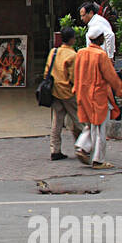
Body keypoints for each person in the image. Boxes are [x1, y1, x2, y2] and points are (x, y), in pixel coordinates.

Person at [73, 25, 122, 169]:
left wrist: (76, 90)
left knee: (90, 125)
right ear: (100, 39)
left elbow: (76, 75)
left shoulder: (81, 53)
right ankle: (98, 160)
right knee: (99, 129)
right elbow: (112, 77)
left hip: (83, 96)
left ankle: (82, 147)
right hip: (98, 97)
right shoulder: (101, 55)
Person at [44, 25, 84, 161]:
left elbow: (47, 71)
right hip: (68, 93)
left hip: (54, 91)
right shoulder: (73, 55)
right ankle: (82, 147)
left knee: (57, 121)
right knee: (78, 121)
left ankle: (55, 150)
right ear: (72, 39)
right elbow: (74, 77)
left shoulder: (54, 52)